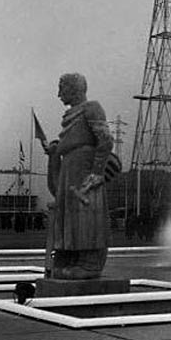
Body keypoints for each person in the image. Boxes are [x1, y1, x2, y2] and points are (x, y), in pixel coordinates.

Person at [42, 73, 115, 279]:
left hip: (85, 169)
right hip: (70, 168)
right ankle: (70, 256)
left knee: (86, 215)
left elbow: (105, 140)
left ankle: (89, 262)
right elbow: (72, 140)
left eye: (62, 89)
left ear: (74, 89)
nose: (58, 94)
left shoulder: (91, 107)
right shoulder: (73, 114)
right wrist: (56, 149)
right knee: (69, 214)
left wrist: (97, 172)